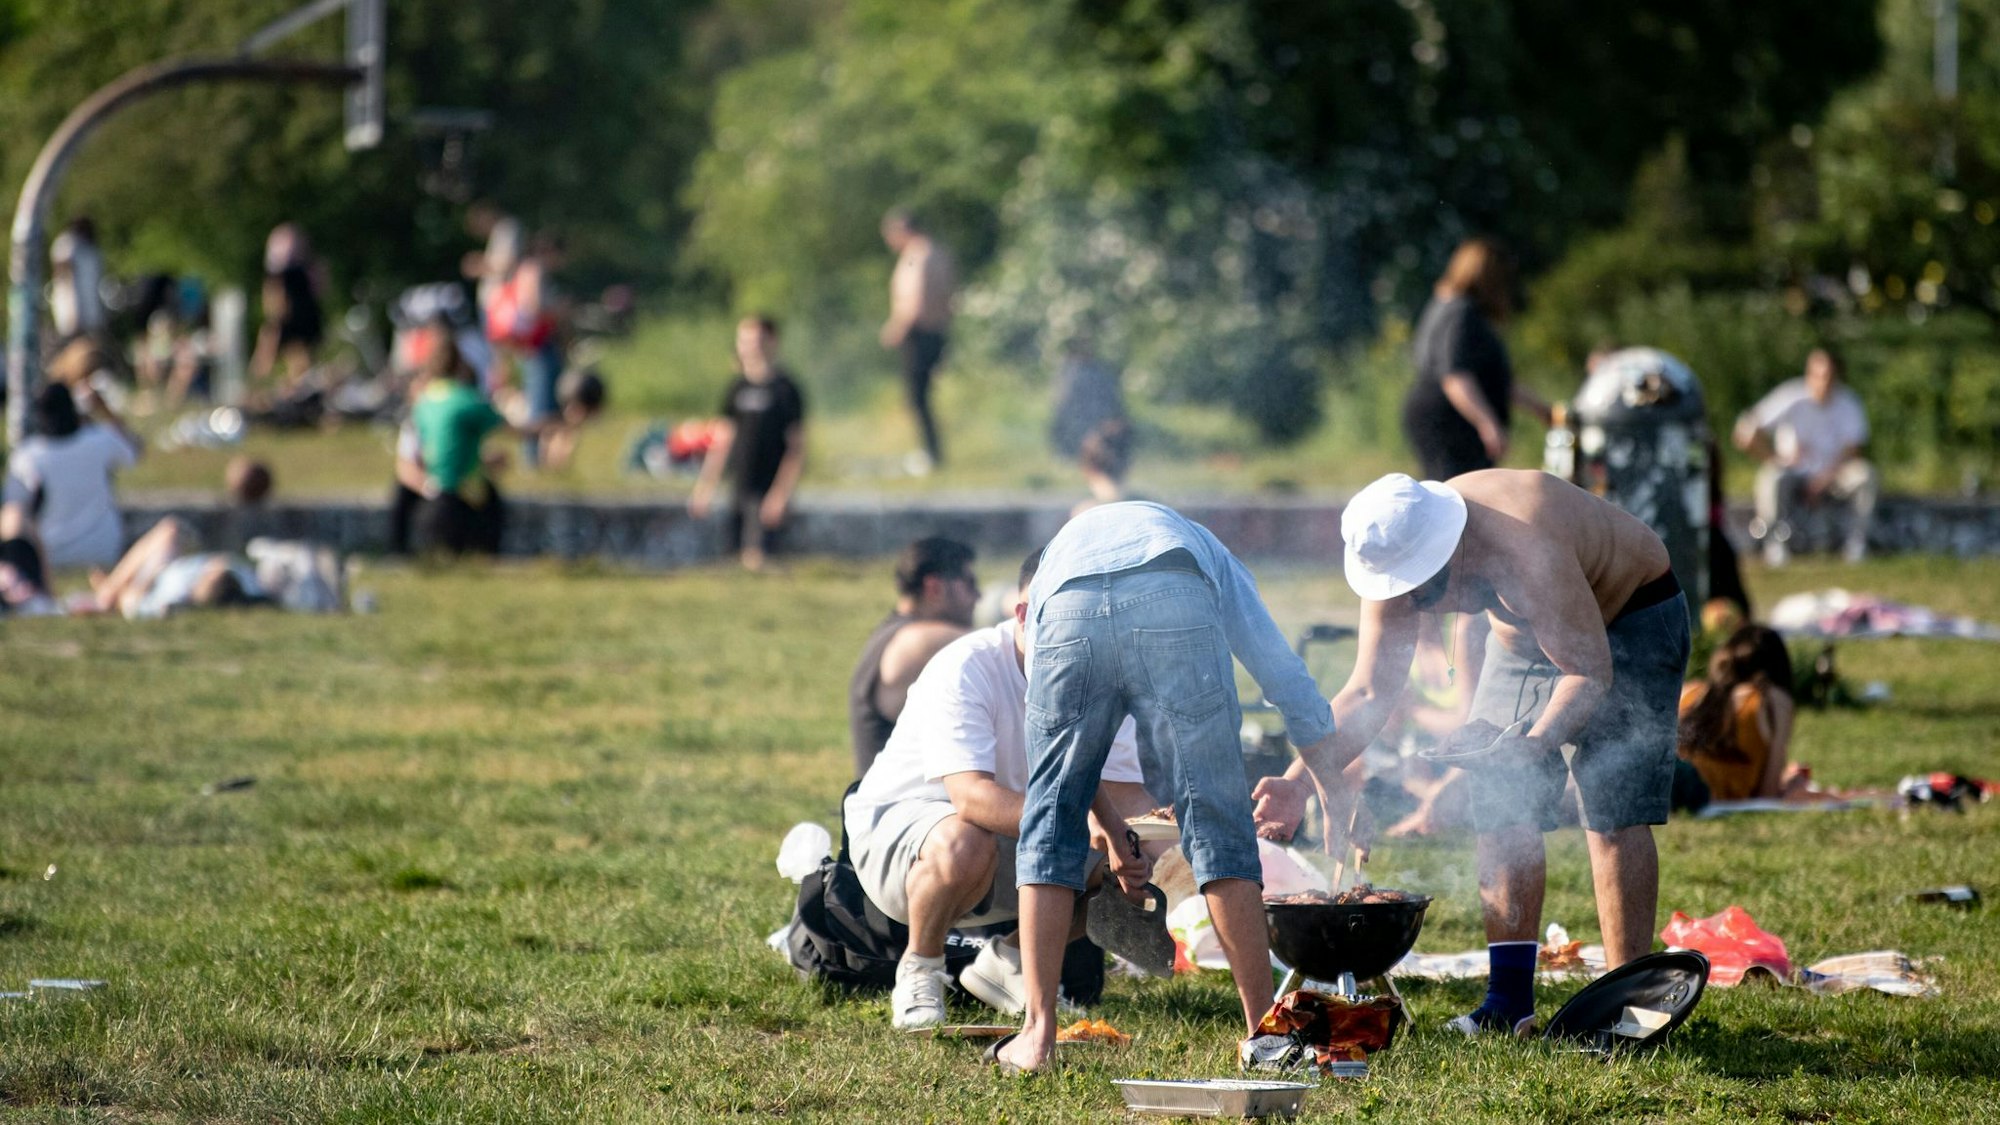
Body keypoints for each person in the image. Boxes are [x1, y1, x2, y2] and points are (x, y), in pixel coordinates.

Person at [1257, 470, 1689, 1037]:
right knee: (1500, 804)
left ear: (1450, 549)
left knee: (1611, 812)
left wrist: (1532, 747)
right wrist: (1299, 779)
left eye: (1424, 591)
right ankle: (1509, 1005)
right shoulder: (1393, 549)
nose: (1414, 605)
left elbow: (1587, 672)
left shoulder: (1524, 542)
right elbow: (1368, 691)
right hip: (1526, 639)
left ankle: (1628, 1008)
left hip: (1631, 613)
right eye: (1400, 591)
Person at [994, 501, 1344, 1075]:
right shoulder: (1207, 551)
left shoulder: (1054, 569)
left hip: (1067, 608)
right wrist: (1331, 787)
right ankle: (1263, 1032)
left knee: (1048, 823)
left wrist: (1102, 823)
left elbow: (1061, 779)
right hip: (1173, 595)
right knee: (1217, 822)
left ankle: (1036, 1034)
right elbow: (1280, 671)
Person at [846, 551, 1158, 1028]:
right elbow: (972, 798)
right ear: (1024, 615)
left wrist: (1178, 835)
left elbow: (1121, 796)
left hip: (1017, 834)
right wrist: (1087, 823)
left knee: (1136, 861)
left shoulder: (1099, 681)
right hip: (905, 837)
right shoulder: (965, 665)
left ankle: (1008, 966)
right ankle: (920, 967)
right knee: (966, 838)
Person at [1401, 239, 1549, 480]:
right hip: (1450, 424)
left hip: (1438, 416)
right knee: (1459, 497)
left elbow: (1499, 382)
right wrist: (1487, 424)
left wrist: (1544, 411)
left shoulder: (1446, 305)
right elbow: (1455, 377)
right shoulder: (1462, 313)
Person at [848, 537, 980, 779]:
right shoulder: (918, 642)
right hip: (894, 809)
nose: (978, 596)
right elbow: (999, 641)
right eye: (970, 583)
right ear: (934, 587)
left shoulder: (895, 633)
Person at [1733, 346, 1876, 565]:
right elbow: (1744, 432)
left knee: (1865, 475)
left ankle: (1856, 542)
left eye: (1828, 376)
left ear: (1837, 376)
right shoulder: (1790, 397)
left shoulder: (1849, 403)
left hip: (1834, 475)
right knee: (1772, 475)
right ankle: (1774, 543)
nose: (1823, 382)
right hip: (1794, 472)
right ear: (1808, 374)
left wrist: (1824, 479)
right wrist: (1774, 458)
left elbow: (1853, 451)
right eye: (1817, 375)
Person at [688, 317, 808, 570]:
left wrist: (781, 494)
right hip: (739, 484)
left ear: (772, 342)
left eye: (756, 341)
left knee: (757, 560)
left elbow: (796, 449)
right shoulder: (736, 387)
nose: (750, 347)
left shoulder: (786, 389)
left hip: (768, 488)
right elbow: (721, 440)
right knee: (733, 559)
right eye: (744, 341)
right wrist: (705, 487)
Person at [2, 382, 141, 569]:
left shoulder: (28, 456)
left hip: (49, 553)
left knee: (12, 513)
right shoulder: (100, 439)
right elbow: (134, 449)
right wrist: (104, 409)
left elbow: (13, 509)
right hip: (105, 548)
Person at [1678, 625, 1803, 801]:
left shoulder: (1688, 692)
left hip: (1670, 795)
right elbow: (1767, 794)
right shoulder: (1772, 699)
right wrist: (1791, 786)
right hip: (1716, 798)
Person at [879, 209, 956, 473]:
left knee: (917, 397)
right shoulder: (938, 253)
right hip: (937, 332)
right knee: (922, 396)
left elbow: (915, 300)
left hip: (919, 333)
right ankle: (932, 451)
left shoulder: (916, 256)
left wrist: (896, 329)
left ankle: (930, 453)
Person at [486, 231, 565, 468]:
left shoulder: (524, 269)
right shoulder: (534, 269)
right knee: (539, 403)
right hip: (536, 345)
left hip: (528, 344)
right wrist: (561, 311)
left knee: (541, 400)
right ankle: (532, 458)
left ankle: (540, 457)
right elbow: (533, 308)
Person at [83, 517, 263, 619]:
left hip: (152, 578)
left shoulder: (178, 596)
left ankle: (109, 592)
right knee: (170, 530)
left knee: (168, 530)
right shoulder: (245, 580)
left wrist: (141, 586)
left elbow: (134, 605)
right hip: (175, 563)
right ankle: (110, 589)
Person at [251, 223, 325, 392]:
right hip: (296, 316)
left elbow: (273, 291)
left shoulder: (286, 272)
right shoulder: (297, 270)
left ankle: (280, 392)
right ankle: (262, 391)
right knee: (290, 359)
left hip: (295, 316)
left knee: (294, 361)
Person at [1049, 333, 1125, 459]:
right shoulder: (1068, 371)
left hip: (1097, 423)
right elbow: (1062, 401)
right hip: (1075, 423)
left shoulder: (1100, 371)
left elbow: (1112, 399)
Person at [49, 217, 108, 342]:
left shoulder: (90, 248)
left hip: (91, 315)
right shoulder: (66, 244)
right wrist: (72, 314)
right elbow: (63, 278)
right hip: (71, 313)